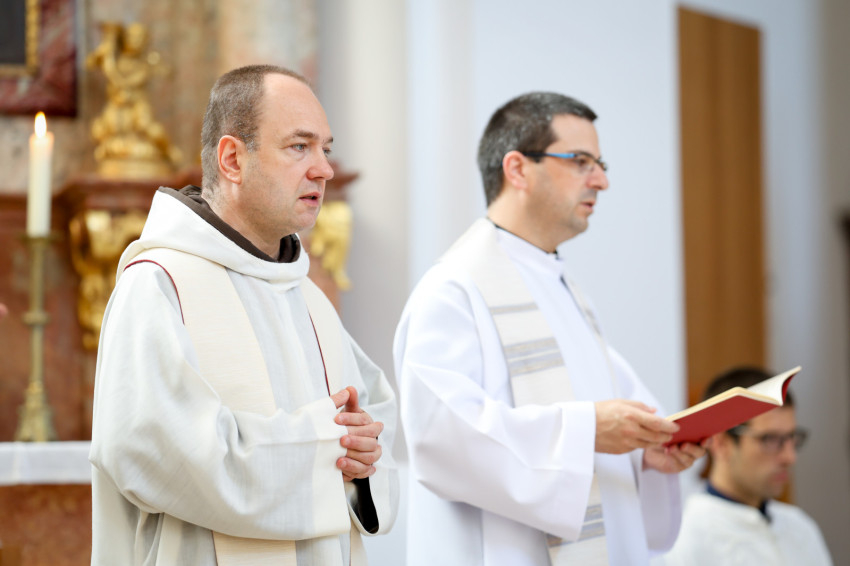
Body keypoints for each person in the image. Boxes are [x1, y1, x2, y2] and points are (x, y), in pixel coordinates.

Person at [89, 65, 398, 566]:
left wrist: (363, 455)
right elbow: (152, 453)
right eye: (299, 147)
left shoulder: (307, 296)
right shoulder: (159, 284)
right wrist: (327, 446)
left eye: (325, 149)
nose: (324, 169)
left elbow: (376, 419)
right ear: (232, 159)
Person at [393, 92, 706, 565]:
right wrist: (585, 431)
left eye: (600, 165)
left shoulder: (562, 287)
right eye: (581, 162)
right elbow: (442, 439)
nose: (601, 181)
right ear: (518, 169)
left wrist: (644, 456)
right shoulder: (453, 291)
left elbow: (611, 416)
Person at [658, 367, 832, 565]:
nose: (790, 457)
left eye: (791, 438)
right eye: (771, 439)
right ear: (721, 443)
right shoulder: (682, 540)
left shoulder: (801, 528)